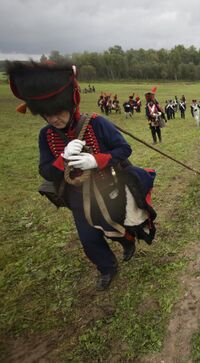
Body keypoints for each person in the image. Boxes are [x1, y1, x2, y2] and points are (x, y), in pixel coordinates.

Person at [7, 61, 157, 290]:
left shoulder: (97, 123)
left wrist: (96, 160)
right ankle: (107, 268)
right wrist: (62, 159)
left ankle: (127, 243)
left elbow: (124, 149)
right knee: (89, 239)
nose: (54, 119)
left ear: (70, 103)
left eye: (57, 112)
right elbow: (45, 170)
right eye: (47, 115)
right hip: (77, 197)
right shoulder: (45, 135)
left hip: (109, 187)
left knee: (116, 227)